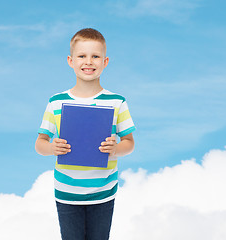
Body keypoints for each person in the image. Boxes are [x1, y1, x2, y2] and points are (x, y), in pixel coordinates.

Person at [35, 28, 136, 240]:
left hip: (104, 192)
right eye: (82, 56)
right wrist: (51, 147)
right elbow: (40, 143)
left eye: (95, 56)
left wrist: (116, 149)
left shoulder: (117, 102)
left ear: (105, 61)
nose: (88, 62)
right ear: (70, 61)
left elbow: (129, 142)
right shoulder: (57, 102)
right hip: (67, 192)